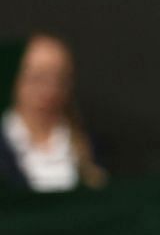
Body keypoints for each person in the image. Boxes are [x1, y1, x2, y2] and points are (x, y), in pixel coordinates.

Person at [0, 33, 106, 191]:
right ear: (16, 78)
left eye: (59, 79)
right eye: (37, 78)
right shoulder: (5, 143)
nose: (49, 90)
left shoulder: (87, 145)